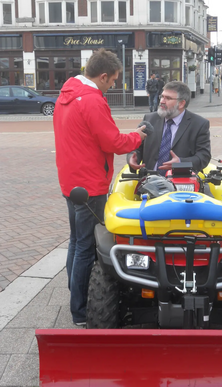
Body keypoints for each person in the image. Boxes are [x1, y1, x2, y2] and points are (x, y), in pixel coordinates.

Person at [53, 48, 147, 326]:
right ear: (103, 76)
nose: (114, 85)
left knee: (76, 241)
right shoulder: (92, 100)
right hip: (90, 183)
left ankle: (75, 295)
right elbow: (113, 143)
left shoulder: (67, 94)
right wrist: (138, 137)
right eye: (114, 80)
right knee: (86, 247)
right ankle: (81, 311)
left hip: (70, 181)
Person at [127, 81, 211, 176]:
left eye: (168, 98)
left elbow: (204, 156)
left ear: (181, 104)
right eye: (162, 96)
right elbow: (137, 148)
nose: (162, 101)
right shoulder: (150, 119)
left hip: (181, 182)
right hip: (149, 182)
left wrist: (180, 162)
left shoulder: (198, 124)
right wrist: (132, 158)